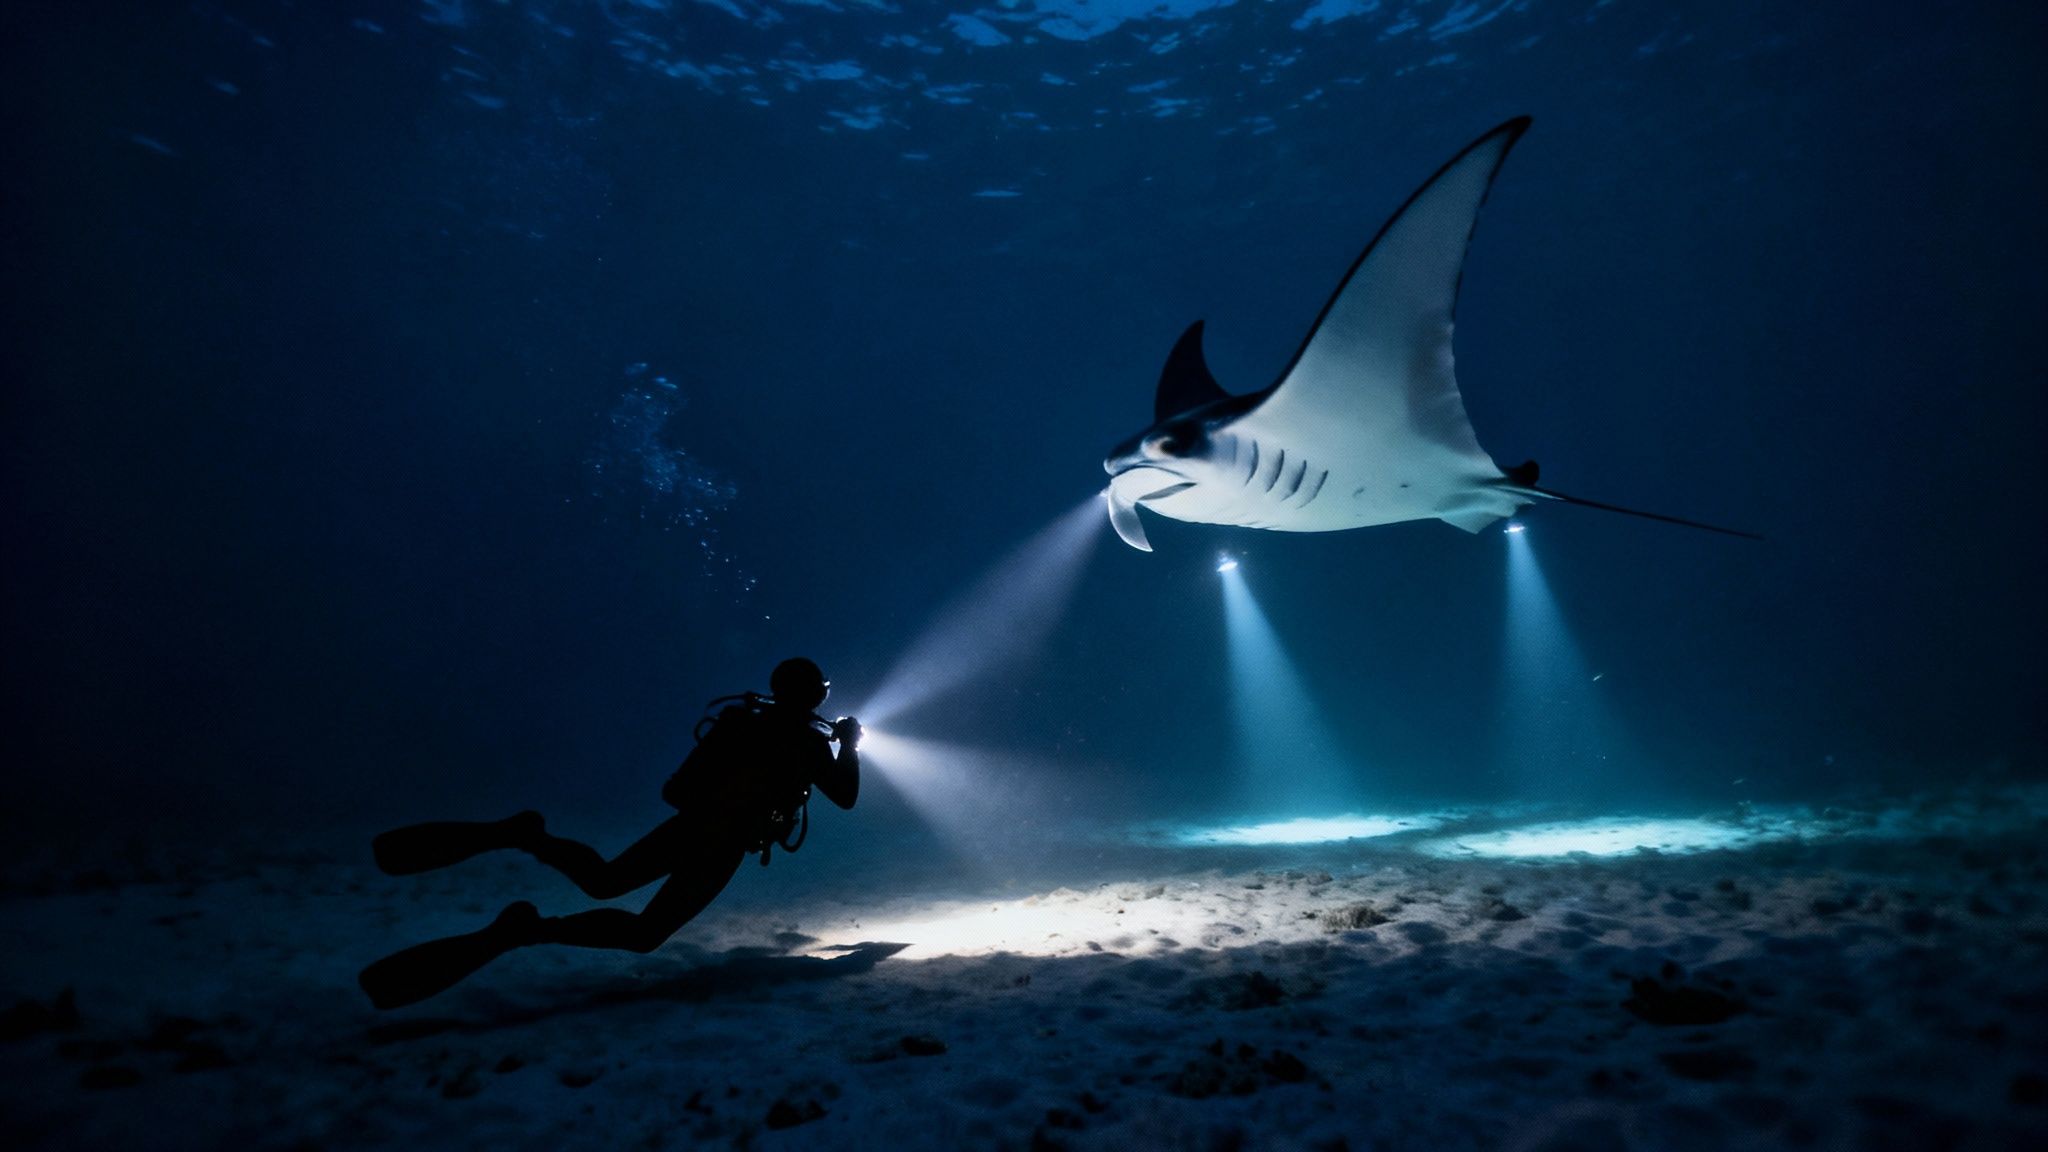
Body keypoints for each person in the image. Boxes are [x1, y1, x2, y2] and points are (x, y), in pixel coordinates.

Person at [357, 657, 861, 1009]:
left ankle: (527, 838)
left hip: (689, 827)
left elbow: (675, 790)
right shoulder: (808, 747)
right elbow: (845, 796)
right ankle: (529, 928)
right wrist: (849, 747)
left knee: (602, 880)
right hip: (720, 844)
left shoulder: (738, 724)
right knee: (644, 934)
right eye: (820, 691)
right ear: (813, 694)